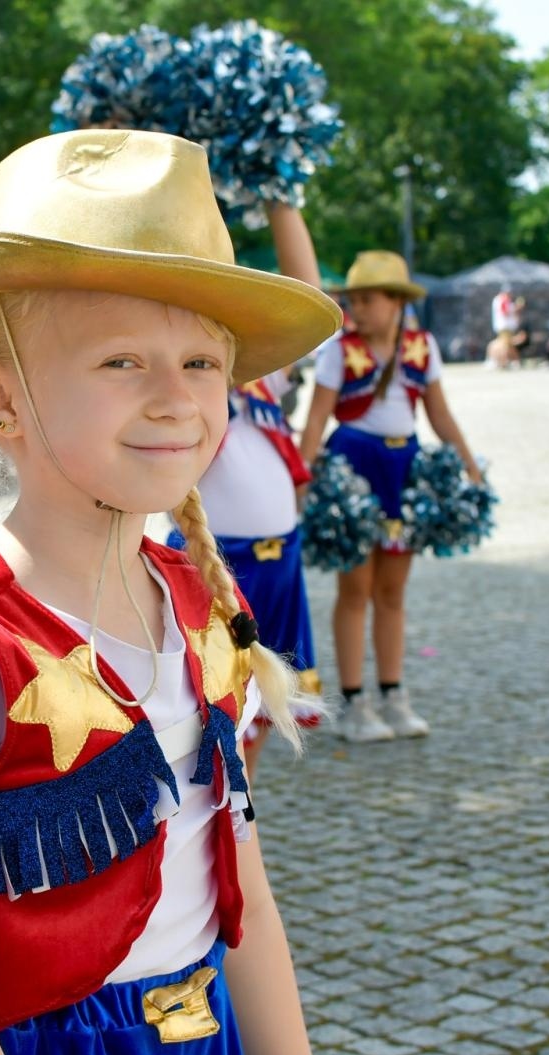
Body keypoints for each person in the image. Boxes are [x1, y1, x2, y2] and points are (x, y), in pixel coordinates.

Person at [0, 129, 336, 1055]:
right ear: (0, 401)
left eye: (202, 363)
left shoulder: (203, 608)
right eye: (122, 362)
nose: (177, 400)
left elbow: (246, 902)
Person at [300, 251, 484, 743]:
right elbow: (318, 417)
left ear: (397, 301)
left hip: (404, 473)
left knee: (392, 591)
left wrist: (469, 466)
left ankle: (393, 692)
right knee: (355, 588)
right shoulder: (341, 350)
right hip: (354, 469)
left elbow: (439, 414)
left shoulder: (422, 347)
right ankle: (356, 701)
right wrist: (303, 474)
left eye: (367, 299)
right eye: (353, 299)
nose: (357, 308)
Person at [169, 203, 323, 778]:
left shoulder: (258, 370)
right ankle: (211, 838)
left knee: (256, 717)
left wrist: (283, 201)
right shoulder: (182, 378)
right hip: (219, 561)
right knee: (213, 712)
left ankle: (236, 829)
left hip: (281, 558)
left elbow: (310, 303)